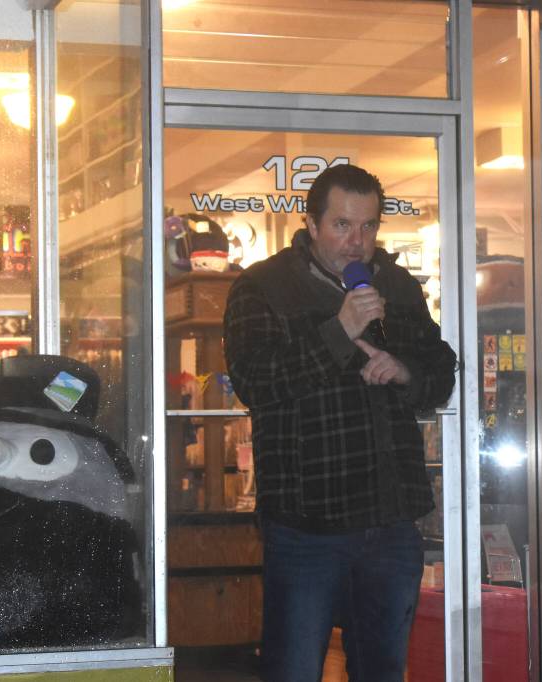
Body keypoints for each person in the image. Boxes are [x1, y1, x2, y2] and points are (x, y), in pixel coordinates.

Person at [223, 163, 457, 682]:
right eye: (342, 225)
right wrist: (340, 329)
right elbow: (256, 381)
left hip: (391, 520)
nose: (357, 241)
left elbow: (442, 373)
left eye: (369, 226)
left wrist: (405, 371)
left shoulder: (395, 285)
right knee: (294, 670)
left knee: (383, 671)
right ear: (310, 224)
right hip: (309, 525)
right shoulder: (263, 287)